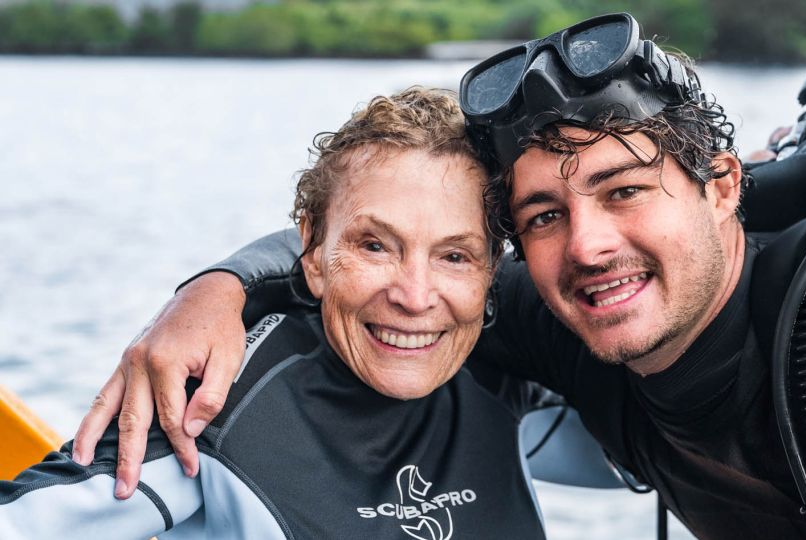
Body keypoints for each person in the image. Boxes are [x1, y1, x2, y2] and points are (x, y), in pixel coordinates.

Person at [74, 13, 806, 539]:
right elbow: (380, 259)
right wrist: (212, 288)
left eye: (626, 192)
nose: (586, 244)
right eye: (544, 214)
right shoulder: (562, 320)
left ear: (723, 185)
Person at [0, 88, 551, 539]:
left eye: (454, 256)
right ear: (311, 252)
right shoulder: (220, 402)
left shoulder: (508, 372)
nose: (414, 295)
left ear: (490, 268)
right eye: (375, 247)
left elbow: (628, 456)